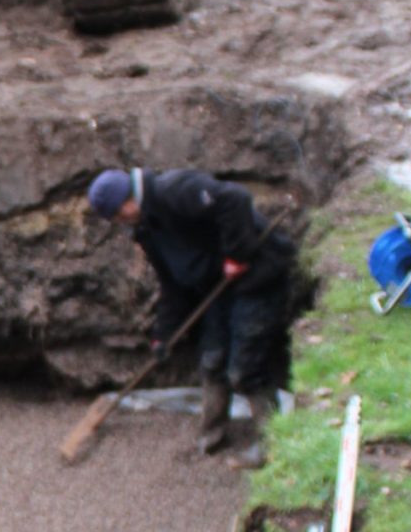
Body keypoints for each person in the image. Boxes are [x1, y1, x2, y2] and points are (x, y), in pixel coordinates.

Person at [88, 167, 294, 466]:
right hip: (218, 288)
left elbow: (235, 199)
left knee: (245, 370)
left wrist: (236, 254)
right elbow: (172, 285)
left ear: (128, 200)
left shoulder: (174, 190)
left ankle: (274, 445)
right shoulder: (147, 229)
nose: (121, 223)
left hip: (257, 277)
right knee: (212, 360)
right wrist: (163, 335)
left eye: (119, 215)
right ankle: (212, 434)